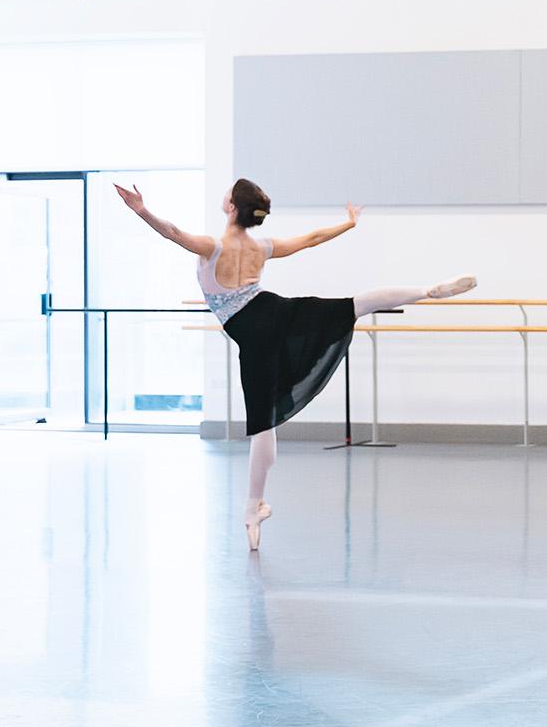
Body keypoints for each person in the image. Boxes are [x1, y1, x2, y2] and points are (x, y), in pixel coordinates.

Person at [115, 178, 476, 550]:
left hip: (253, 335)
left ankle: (252, 510)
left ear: (231, 207)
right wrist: (348, 224)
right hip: (276, 311)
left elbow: (172, 232)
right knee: (353, 305)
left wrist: (141, 209)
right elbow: (312, 239)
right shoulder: (261, 246)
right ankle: (426, 291)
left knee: (262, 424)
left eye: (226, 195)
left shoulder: (213, 246)